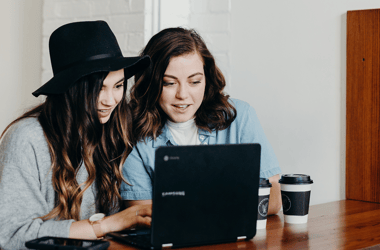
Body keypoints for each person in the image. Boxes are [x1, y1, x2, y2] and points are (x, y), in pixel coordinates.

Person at [0, 21, 152, 249]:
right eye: (99, 88)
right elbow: (16, 236)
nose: (110, 100)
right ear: (71, 87)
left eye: (118, 85)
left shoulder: (111, 131)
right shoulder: (26, 138)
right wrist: (108, 224)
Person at [120, 27, 282, 214]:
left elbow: (273, 199)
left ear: (207, 78)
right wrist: (228, 199)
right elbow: (141, 215)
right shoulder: (133, 133)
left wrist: (189, 207)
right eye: (169, 83)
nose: (182, 95)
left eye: (194, 82)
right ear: (151, 83)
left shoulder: (239, 116)